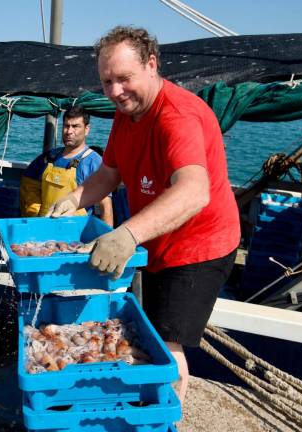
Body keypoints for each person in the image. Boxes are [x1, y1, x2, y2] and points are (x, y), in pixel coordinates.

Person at [47, 26, 240, 404]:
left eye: (124, 78)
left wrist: (126, 235)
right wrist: (72, 200)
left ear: (152, 64)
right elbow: (109, 174)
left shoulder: (177, 116)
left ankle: (166, 417)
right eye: (107, 82)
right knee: (149, 331)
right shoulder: (126, 114)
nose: (116, 91)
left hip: (199, 246)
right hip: (156, 241)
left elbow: (194, 191)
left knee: (167, 347)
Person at [19, 106, 113, 226]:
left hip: (75, 233)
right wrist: (35, 214)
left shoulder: (94, 161)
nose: (69, 131)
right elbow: (28, 184)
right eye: (66, 126)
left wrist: (106, 238)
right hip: (44, 226)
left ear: (87, 129)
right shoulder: (50, 157)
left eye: (75, 126)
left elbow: (106, 205)